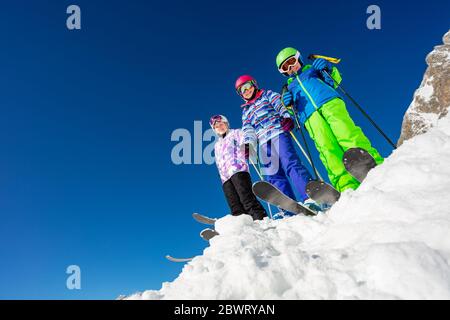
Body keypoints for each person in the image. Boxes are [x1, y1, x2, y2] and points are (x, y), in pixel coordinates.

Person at [275, 47, 384, 192]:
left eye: (292, 62)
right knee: (326, 148)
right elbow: (292, 111)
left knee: (347, 133)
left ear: (299, 58)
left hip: (329, 103)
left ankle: (372, 163)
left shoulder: (313, 70)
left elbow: (335, 81)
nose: (290, 67)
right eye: (285, 67)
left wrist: (328, 69)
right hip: (310, 117)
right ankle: (345, 184)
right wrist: (287, 103)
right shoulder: (288, 87)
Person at [235, 75, 321, 218]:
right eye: (242, 90)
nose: (246, 91)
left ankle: (310, 196)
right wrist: (248, 144)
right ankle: (288, 209)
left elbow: (280, 106)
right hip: (262, 143)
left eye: (247, 86)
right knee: (273, 175)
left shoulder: (268, 95)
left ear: (254, 84)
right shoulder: (246, 111)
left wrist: (286, 117)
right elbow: (248, 129)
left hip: (277, 132)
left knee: (290, 163)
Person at [210, 114, 267, 221]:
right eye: (216, 127)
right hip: (225, 178)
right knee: (234, 205)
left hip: (238, 170)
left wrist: (247, 146)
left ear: (226, 124)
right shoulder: (217, 145)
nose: (220, 127)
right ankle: (243, 226)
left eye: (221, 124)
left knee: (246, 198)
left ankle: (260, 219)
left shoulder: (236, 133)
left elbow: (248, 138)